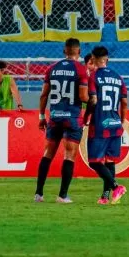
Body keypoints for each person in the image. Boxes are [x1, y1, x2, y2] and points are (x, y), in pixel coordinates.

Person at [34, 39, 89, 203]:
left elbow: (44, 95)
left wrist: (42, 117)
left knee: (47, 153)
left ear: (64, 51)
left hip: (55, 116)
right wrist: (93, 101)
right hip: (72, 117)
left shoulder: (52, 68)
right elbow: (82, 96)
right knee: (69, 155)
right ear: (78, 52)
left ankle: (39, 194)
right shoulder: (81, 69)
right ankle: (62, 195)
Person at [85, 46, 129, 205]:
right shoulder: (119, 77)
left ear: (93, 59)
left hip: (100, 123)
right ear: (107, 59)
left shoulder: (94, 76)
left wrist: (86, 116)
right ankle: (104, 197)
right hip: (115, 123)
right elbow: (124, 102)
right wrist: (122, 121)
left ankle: (117, 187)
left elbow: (93, 100)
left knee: (94, 162)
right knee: (110, 161)